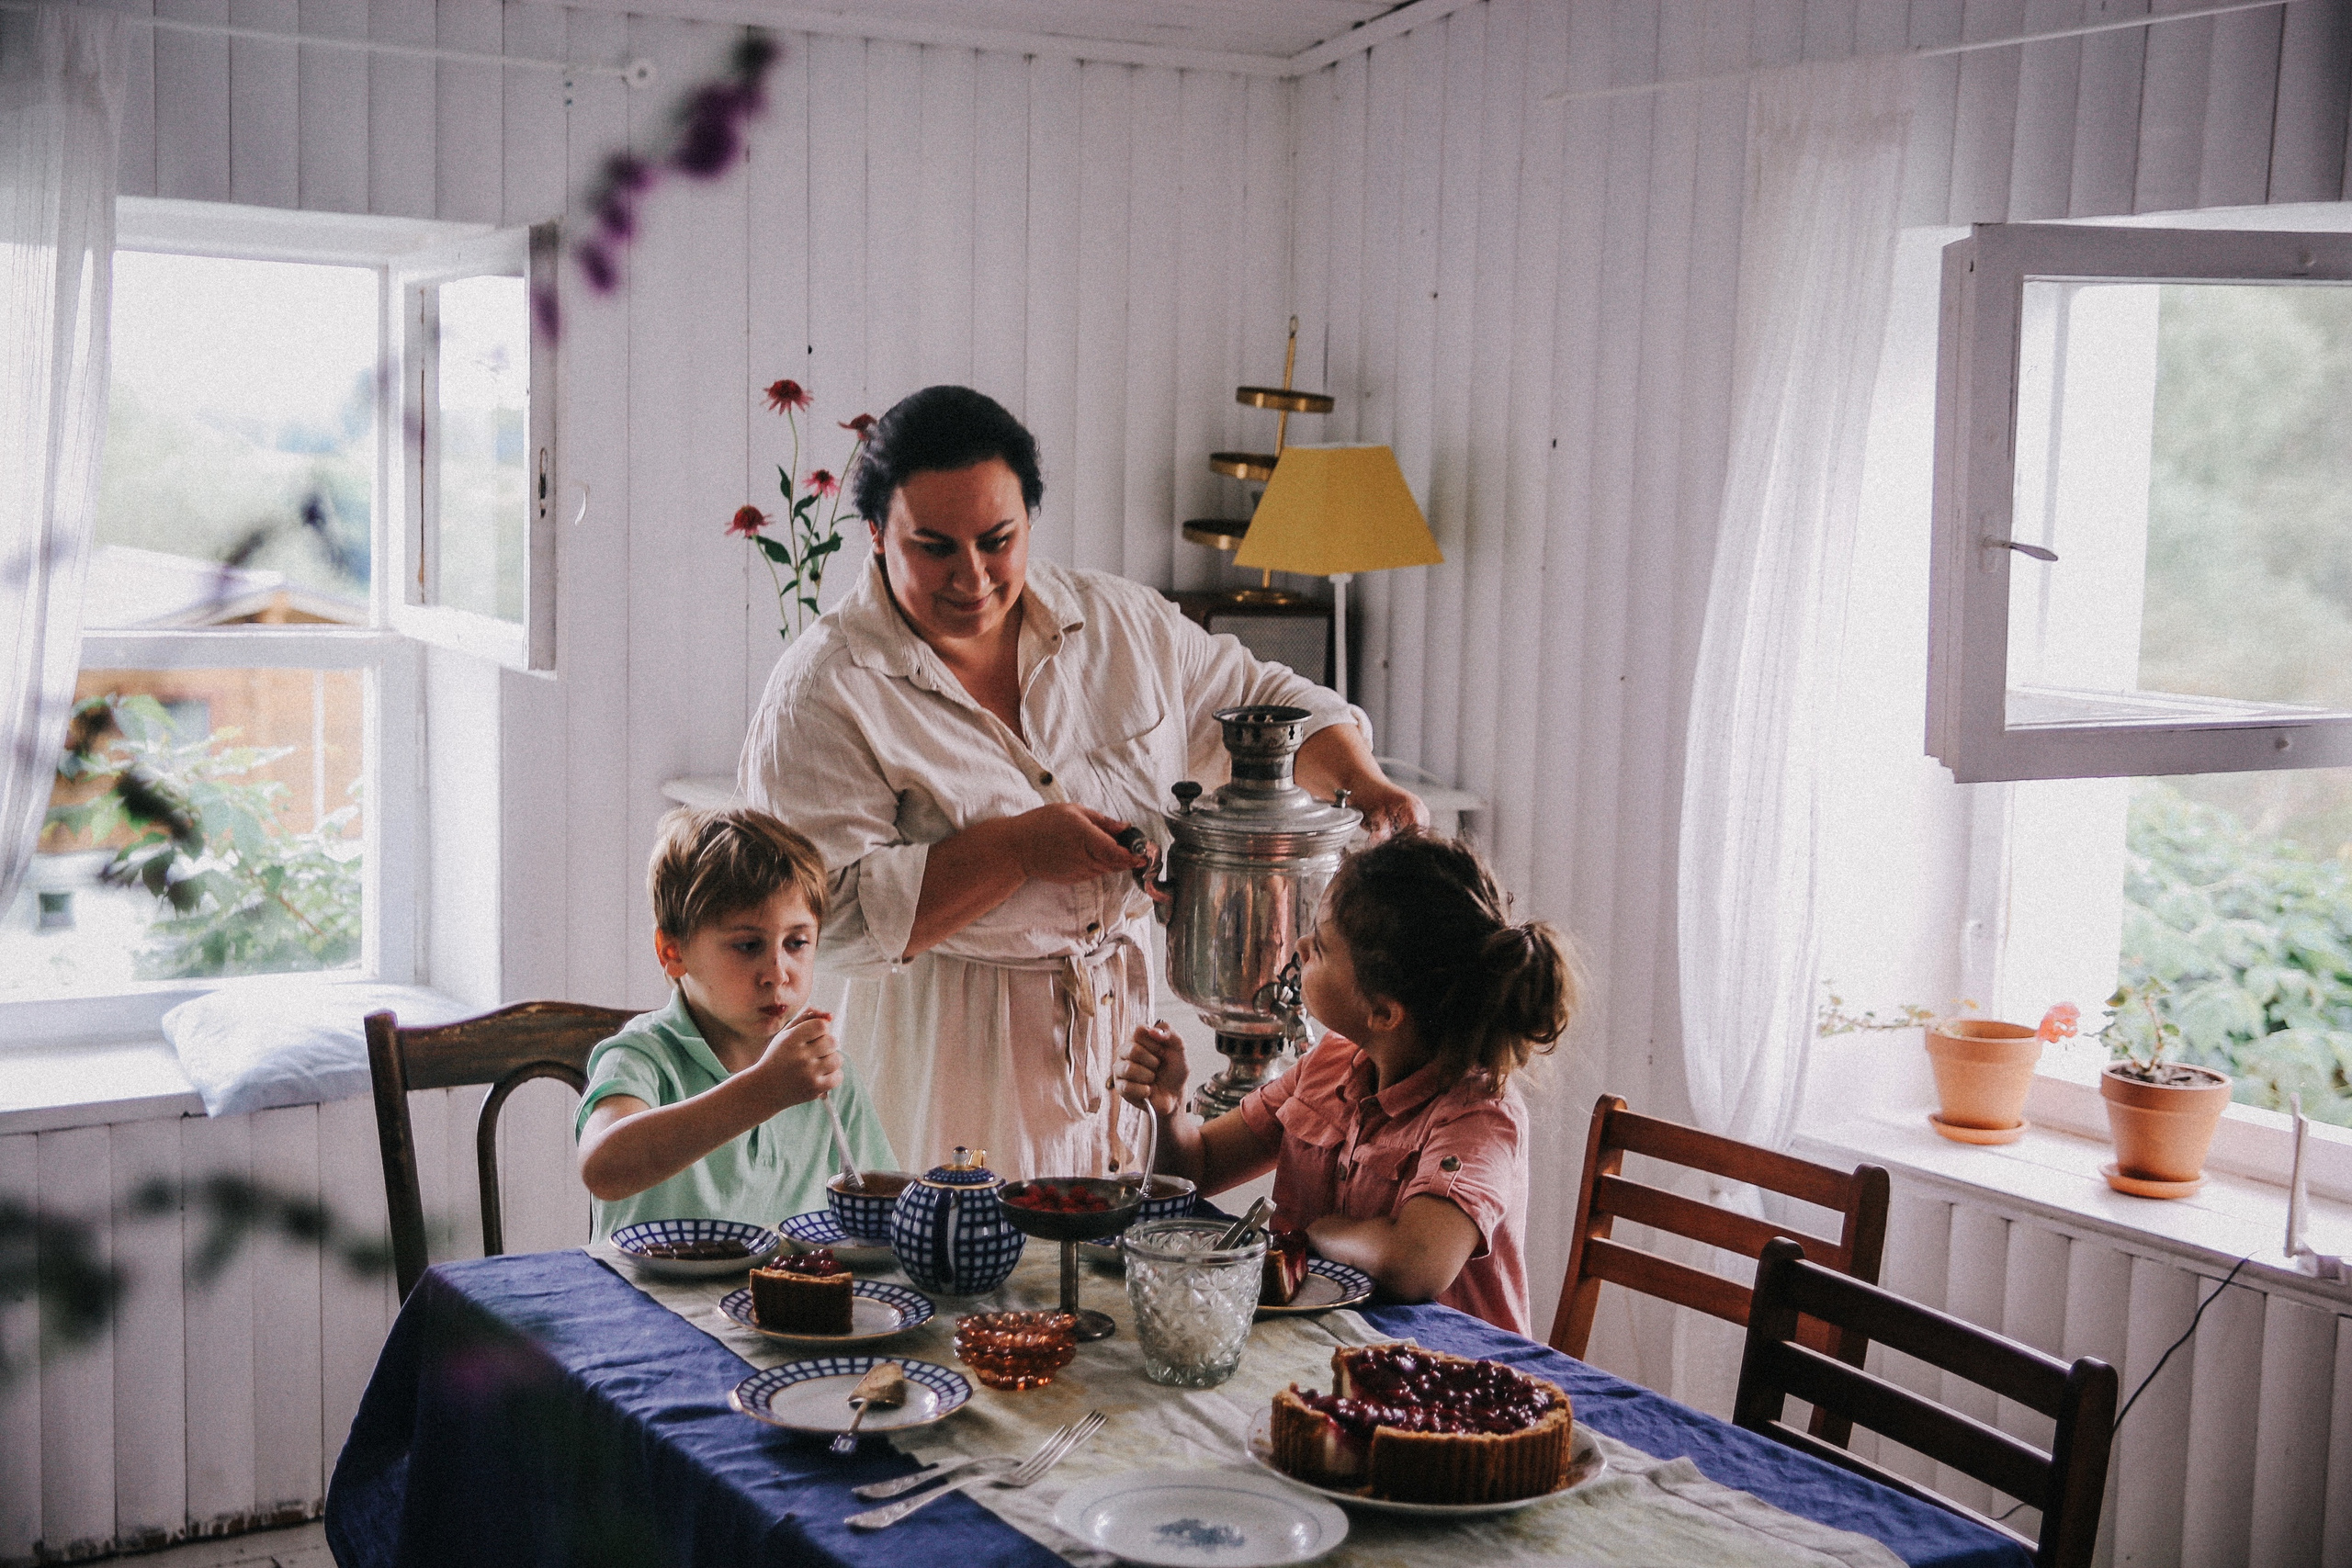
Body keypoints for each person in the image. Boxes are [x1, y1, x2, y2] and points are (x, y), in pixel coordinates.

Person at [740, 384, 1427, 1179]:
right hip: (945, 1050)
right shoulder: (825, 690)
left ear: (1031, 519)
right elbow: (828, 921)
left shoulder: (1120, 625)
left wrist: (1365, 782)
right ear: (875, 536)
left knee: (1105, 1287)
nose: (972, 576)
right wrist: (1017, 850)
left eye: (998, 540)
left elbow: (1265, 699)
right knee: (966, 1290)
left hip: (1123, 1043)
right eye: (934, 547)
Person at [1115, 831, 1578, 1337]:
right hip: (1324, 1351)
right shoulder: (1331, 1063)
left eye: (1323, 947)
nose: (1300, 947)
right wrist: (1169, 1108)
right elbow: (1197, 1169)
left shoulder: (1479, 1113)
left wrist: (1319, 1236)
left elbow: (1418, 1261)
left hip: (1448, 1379)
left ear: (1384, 1012)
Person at [574, 807, 897, 1235]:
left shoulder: (824, 1073)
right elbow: (604, 1169)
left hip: (785, 1299)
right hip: (646, 1300)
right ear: (674, 953)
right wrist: (763, 1091)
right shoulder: (642, 1056)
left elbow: (889, 1211)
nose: (778, 973)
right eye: (748, 945)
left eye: (797, 942)